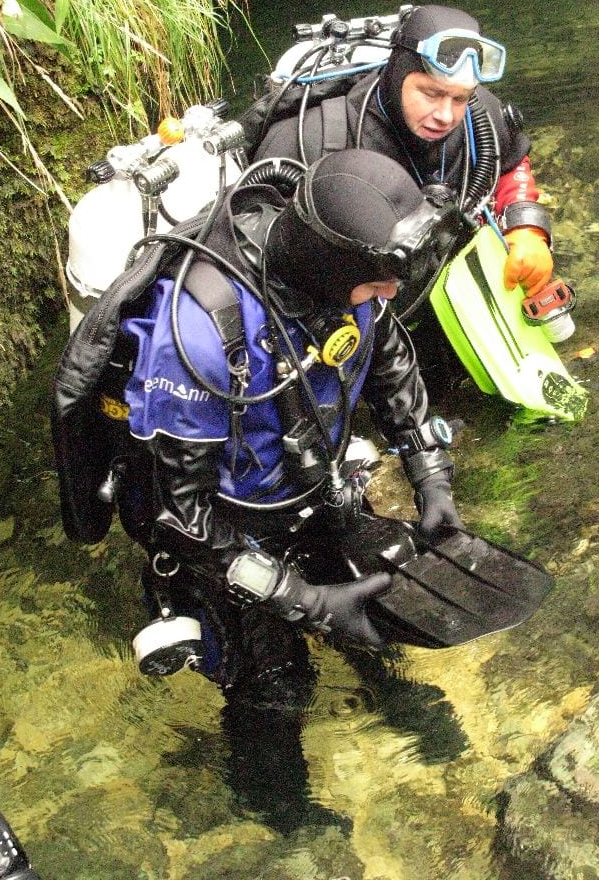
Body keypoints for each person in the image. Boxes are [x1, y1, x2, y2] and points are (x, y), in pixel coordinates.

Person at [119, 147, 465, 706]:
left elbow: (390, 364)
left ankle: (406, 712)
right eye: (378, 283)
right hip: (222, 527)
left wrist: (430, 474)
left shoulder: (355, 280)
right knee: (277, 688)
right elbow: (181, 512)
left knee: (385, 618)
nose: (391, 293)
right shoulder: (200, 337)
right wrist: (301, 598)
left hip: (309, 486)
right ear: (331, 267)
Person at [252, 3, 555, 305]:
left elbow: (511, 162)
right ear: (397, 74)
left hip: (451, 287)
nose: (446, 115)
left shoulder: (480, 117)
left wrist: (527, 228)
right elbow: (263, 250)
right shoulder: (311, 138)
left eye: (459, 98)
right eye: (431, 93)